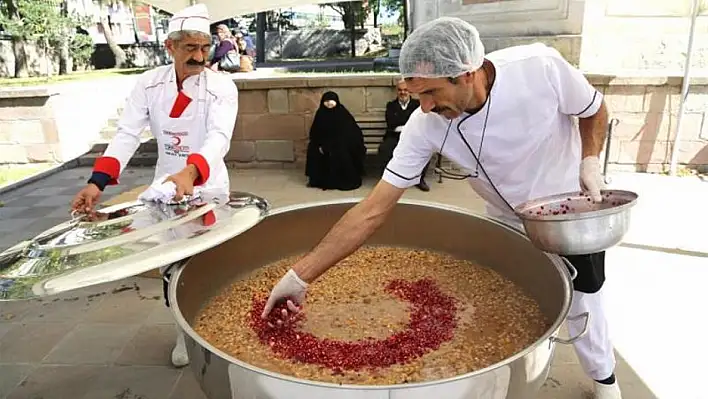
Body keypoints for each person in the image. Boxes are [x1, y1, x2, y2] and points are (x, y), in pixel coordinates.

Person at [261, 17, 621, 399]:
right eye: (416, 94)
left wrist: (590, 161)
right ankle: (504, 374)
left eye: (431, 92)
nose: (426, 107)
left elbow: (593, 109)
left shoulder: (539, 68)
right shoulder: (424, 124)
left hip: (564, 204)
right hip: (503, 214)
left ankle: (604, 380)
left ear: (467, 74)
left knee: (585, 296)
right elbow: (373, 209)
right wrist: (299, 278)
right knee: (507, 291)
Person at [70, 4, 238, 369]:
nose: (198, 56)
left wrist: (191, 173)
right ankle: (183, 331)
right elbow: (127, 133)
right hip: (165, 187)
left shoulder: (222, 86)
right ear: (170, 47)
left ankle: (213, 330)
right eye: (189, 48)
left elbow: (219, 137)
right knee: (171, 265)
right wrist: (97, 182)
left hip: (207, 185)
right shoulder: (148, 83)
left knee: (212, 260)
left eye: (204, 48)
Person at [305, 91, 367, 191]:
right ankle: (318, 180)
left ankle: (342, 180)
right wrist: (320, 144)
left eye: (332, 100)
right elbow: (315, 133)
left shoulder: (342, 113)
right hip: (324, 144)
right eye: (327, 101)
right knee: (313, 148)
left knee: (340, 152)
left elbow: (350, 133)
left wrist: (333, 145)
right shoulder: (320, 114)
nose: (329, 103)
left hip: (342, 144)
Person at [377, 79, 430, 192]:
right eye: (400, 90)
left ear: (410, 91)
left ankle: (419, 179)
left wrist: (402, 123)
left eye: (405, 90)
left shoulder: (417, 104)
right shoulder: (391, 105)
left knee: (425, 150)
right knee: (385, 149)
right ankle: (390, 179)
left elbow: (419, 121)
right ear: (397, 91)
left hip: (413, 136)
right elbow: (391, 123)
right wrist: (407, 122)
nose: (403, 93)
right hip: (394, 136)